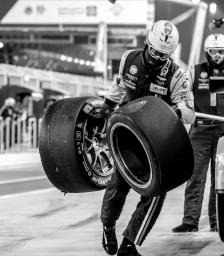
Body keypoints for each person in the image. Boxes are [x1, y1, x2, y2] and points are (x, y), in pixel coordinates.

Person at [84, 20, 195, 256]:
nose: (157, 57)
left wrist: (174, 111)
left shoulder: (177, 76)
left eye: (164, 54)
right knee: (117, 184)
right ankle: (108, 225)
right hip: (126, 137)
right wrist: (105, 106)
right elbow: (119, 86)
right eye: (155, 51)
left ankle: (129, 243)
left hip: (157, 144)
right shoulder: (129, 59)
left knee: (155, 194)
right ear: (147, 42)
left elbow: (189, 114)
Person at [172, 33, 224, 233]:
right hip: (200, 131)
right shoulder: (193, 71)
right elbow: (183, 96)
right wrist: (184, 109)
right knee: (195, 178)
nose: (217, 56)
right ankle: (190, 221)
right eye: (213, 52)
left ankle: (217, 222)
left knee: (221, 180)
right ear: (207, 52)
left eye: (221, 52)